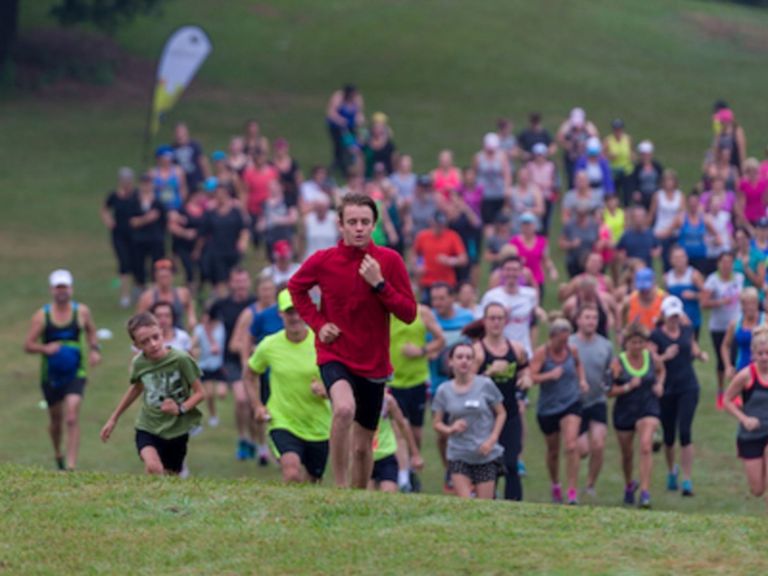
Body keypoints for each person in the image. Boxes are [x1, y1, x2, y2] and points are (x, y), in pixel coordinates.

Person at [288, 193, 417, 489]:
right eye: (352, 222)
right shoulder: (323, 261)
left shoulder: (389, 260)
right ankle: (340, 487)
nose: (358, 228)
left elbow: (409, 313)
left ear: (374, 225)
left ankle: (358, 499)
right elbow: (296, 289)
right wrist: (319, 325)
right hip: (335, 354)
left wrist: (380, 285)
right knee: (344, 409)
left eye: (365, 222)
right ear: (340, 225)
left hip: (373, 363)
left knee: (362, 447)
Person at [100, 312, 205, 475]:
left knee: (170, 476)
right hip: (148, 426)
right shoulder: (139, 363)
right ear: (136, 345)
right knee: (154, 467)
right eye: (145, 341)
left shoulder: (181, 359)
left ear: (162, 332)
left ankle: (151, 497)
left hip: (176, 429)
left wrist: (180, 408)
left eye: (156, 337)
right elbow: (136, 387)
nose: (153, 344)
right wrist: (113, 418)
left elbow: (200, 393)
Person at [245, 290, 332, 483]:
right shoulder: (269, 345)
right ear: (281, 314)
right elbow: (250, 374)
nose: (296, 317)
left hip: (319, 425)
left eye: (299, 311)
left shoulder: (322, 342)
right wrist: (257, 406)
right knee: (291, 472)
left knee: (313, 481)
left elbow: (341, 379)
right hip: (283, 420)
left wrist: (327, 391)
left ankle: (304, 512)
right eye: (290, 312)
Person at [24, 270, 101, 471]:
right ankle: (58, 451)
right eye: (58, 287)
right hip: (51, 375)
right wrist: (45, 348)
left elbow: (92, 330)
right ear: (52, 290)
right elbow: (28, 345)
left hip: (76, 372)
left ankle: (71, 464)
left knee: (72, 415)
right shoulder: (42, 316)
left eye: (64, 287)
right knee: (56, 420)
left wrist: (94, 349)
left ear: (71, 289)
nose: (62, 291)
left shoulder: (81, 312)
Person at [432, 342, 506, 500]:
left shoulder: (485, 384)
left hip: (484, 454)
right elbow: (436, 423)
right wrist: (450, 429)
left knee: (483, 507)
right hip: (458, 454)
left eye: (468, 357)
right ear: (450, 361)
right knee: (467, 505)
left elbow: (501, 413)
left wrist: (492, 439)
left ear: (473, 362)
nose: (464, 361)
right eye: (459, 357)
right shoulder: (443, 390)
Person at [650, 296, 707, 497]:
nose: (674, 319)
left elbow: (692, 347)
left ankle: (687, 479)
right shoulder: (656, 335)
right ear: (664, 315)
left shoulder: (687, 331)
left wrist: (700, 355)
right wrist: (665, 356)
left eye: (676, 315)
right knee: (668, 435)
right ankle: (671, 470)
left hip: (688, 386)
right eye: (670, 315)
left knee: (685, 431)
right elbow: (651, 359)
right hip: (667, 388)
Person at [473, 303, 530, 501]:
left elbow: (524, 371)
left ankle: (515, 508)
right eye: (492, 318)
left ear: (506, 321)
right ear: (485, 321)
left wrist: (525, 381)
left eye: (500, 318)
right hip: (485, 417)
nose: (496, 322)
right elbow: (467, 385)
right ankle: (490, 502)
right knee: (491, 464)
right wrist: (489, 372)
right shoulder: (478, 352)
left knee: (512, 464)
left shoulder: (516, 348)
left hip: (511, 414)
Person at [608, 323, 665, 508]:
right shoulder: (618, 363)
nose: (637, 346)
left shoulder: (651, 358)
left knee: (646, 446)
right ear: (626, 343)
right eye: (634, 342)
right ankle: (629, 485)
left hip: (648, 407)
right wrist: (627, 386)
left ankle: (645, 492)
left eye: (641, 342)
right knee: (627, 454)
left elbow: (661, 370)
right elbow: (608, 391)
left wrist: (659, 384)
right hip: (625, 411)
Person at [208, 268, 257, 460]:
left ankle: (256, 441)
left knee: (255, 406)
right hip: (231, 359)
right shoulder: (222, 304)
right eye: (237, 282)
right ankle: (242, 438)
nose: (240, 285)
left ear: (249, 283)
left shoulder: (255, 304)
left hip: (254, 358)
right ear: (231, 283)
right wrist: (211, 342)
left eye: (243, 281)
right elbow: (207, 321)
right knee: (241, 399)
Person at [569, 304, 613, 497]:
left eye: (594, 318)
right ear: (578, 320)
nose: (591, 321)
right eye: (587, 317)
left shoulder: (606, 345)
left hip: (597, 400)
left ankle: (590, 484)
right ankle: (572, 485)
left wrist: (610, 384)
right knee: (582, 449)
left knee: (599, 444)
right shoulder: (569, 343)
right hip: (574, 402)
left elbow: (610, 372)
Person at [723, 326, 768, 504]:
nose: (765, 357)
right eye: (761, 353)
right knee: (757, 490)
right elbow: (726, 401)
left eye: (767, 353)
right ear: (753, 354)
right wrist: (744, 419)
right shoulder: (746, 376)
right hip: (750, 434)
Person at [701, 251, 745, 409]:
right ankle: (721, 391)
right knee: (721, 361)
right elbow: (703, 303)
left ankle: (736, 392)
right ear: (719, 263)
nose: (727, 265)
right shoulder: (712, 280)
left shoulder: (739, 278)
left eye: (729, 262)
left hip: (736, 325)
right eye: (724, 262)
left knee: (736, 358)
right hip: (718, 326)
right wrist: (720, 302)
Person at [480, 256, 540, 357]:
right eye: (508, 270)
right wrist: (501, 315)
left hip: (524, 350)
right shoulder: (491, 296)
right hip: (498, 351)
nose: (511, 273)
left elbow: (534, 323)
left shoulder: (530, 295)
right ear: (502, 272)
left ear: (521, 272)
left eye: (515, 270)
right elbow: (481, 323)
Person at [196, 184, 250, 296]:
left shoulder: (235, 211)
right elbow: (203, 234)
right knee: (220, 279)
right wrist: (198, 250)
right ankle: (222, 298)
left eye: (223, 194)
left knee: (233, 276)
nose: (220, 197)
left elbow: (244, 229)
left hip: (232, 250)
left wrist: (243, 242)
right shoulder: (210, 213)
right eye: (218, 194)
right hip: (217, 251)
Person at [370, 390, 424, 493]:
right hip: (365, 456)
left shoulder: (387, 401)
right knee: (366, 498)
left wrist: (415, 454)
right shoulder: (356, 399)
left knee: (388, 496)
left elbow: (403, 426)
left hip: (386, 455)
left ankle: (404, 480)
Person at [101, 167, 138, 308]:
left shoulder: (136, 195)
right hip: (119, 234)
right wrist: (109, 221)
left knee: (136, 262)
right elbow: (104, 209)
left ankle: (136, 290)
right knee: (123, 263)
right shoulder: (114, 196)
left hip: (135, 234)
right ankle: (124, 295)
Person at [412, 211, 468, 301]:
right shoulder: (422, 236)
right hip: (427, 281)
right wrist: (418, 266)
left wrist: (449, 261)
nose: (439, 227)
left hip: (447, 282)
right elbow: (415, 255)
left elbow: (463, 259)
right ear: (431, 223)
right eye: (437, 224)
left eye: (441, 225)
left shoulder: (452, 236)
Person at [129, 173, 166, 289]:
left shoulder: (158, 202)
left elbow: (163, 220)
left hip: (155, 239)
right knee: (138, 265)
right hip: (139, 239)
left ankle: (156, 286)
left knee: (157, 264)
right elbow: (132, 222)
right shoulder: (134, 202)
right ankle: (140, 286)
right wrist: (147, 218)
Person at [136, 259, 196, 331]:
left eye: (166, 276)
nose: (164, 280)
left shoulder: (182, 293)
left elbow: (189, 306)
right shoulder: (147, 297)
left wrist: (191, 317)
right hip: (157, 334)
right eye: (161, 277)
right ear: (156, 277)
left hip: (178, 333)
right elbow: (139, 319)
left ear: (172, 276)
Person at [191, 305, 225, 427]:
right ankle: (213, 416)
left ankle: (215, 414)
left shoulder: (221, 328)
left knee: (221, 394)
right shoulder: (199, 330)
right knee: (209, 394)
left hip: (220, 365)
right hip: (205, 365)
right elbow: (192, 345)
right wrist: (195, 350)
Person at [510, 212, 558, 299]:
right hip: (520, 279)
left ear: (534, 226)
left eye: (529, 224)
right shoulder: (514, 241)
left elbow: (546, 259)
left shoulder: (541, 241)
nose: (527, 227)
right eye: (524, 224)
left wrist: (552, 270)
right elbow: (510, 259)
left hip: (537, 278)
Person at [722, 288, 765, 383]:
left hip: (763, 370)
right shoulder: (735, 324)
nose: (750, 307)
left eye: (753, 303)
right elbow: (725, 346)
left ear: (758, 304)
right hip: (741, 369)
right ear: (742, 305)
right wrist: (728, 366)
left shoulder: (765, 321)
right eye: (747, 304)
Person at [664, 246, 705, 340]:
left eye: (682, 257)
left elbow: (706, 294)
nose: (679, 260)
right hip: (674, 320)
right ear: (671, 260)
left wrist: (694, 295)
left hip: (692, 318)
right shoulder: (667, 277)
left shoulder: (694, 275)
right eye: (676, 258)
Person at [474, 133, 512, 233]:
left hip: (499, 193)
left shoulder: (502, 157)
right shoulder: (479, 157)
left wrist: (507, 189)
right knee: (488, 222)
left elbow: (507, 174)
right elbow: (475, 173)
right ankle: (491, 244)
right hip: (485, 194)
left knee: (502, 221)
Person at [326, 84, 365, 175]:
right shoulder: (338, 97)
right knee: (339, 145)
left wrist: (359, 120)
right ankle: (339, 163)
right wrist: (341, 121)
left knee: (351, 145)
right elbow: (331, 113)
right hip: (336, 127)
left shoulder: (357, 99)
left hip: (350, 126)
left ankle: (349, 164)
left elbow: (359, 112)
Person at [557, 107, 599, 189]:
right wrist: (566, 144)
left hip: (584, 159)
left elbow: (595, 138)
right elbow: (559, 137)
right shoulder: (568, 128)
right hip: (571, 160)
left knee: (585, 180)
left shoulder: (587, 128)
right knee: (572, 181)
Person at [650, 170, 684, 271]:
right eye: (666, 180)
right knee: (664, 260)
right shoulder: (658, 196)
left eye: (671, 180)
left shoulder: (680, 196)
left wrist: (669, 230)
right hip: (660, 231)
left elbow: (681, 215)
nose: (669, 183)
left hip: (674, 232)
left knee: (676, 259)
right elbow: (652, 214)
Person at [559, 202, 599, 278]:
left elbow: (597, 239)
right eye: (579, 214)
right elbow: (561, 243)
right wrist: (571, 244)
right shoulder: (569, 225)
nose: (581, 217)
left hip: (589, 262)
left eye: (584, 214)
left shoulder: (593, 224)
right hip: (574, 261)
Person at [171, 122, 210, 193]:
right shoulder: (173, 148)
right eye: (177, 132)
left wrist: (208, 179)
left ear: (186, 133)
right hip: (181, 184)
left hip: (196, 181)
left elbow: (203, 162)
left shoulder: (194, 145)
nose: (179, 135)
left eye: (182, 132)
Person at [623, 268, 665, 332]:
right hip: (638, 339)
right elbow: (623, 325)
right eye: (641, 289)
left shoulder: (664, 299)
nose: (644, 292)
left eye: (646, 289)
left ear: (654, 283)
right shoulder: (629, 301)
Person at [603, 118, 634, 204]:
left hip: (626, 171)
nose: (618, 131)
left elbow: (631, 152)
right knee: (613, 196)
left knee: (627, 197)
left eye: (619, 129)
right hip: (614, 171)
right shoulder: (608, 140)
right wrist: (609, 156)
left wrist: (632, 156)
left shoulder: (628, 139)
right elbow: (602, 156)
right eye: (616, 129)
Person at [151, 145, 187, 212]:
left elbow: (183, 189)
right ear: (159, 158)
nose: (168, 159)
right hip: (159, 208)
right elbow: (150, 192)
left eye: (170, 157)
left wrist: (181, 202)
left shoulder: (178, 171)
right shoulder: (153, 173)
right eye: (166, 157)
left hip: (176, 207)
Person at [303, 194, 339, 260]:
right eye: (318, 207)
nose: (321, 210)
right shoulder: (308, 219)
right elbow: (302, 241)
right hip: (312, 259)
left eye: (323, 207)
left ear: (327, 207)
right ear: (315, 208)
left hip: (331, 259)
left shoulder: (335, 218)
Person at [628, 140, 663, 209]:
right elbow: (633, 182)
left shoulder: (657, 166)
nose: (645, 157)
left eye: (647, 155)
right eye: (643, 155)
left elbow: (661, 180)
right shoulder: (637, 168)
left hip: (655, 196)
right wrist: (635, 192)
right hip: (642, 196)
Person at [736, 158, 768, 231]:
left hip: (761, 214)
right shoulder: (743, 184)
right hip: (747, 216)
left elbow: (765, 200)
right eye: (749, 171)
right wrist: (746, 223)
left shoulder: (763, 183)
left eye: (754, 171)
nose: (752, 173)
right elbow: (740, 204)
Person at [362, 112, 396, 178]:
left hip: (387, 176)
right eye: (376, 127)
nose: (377, 130)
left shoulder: (389, 145)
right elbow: (362, 161)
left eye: (380, 127)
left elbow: (393, 161)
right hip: (370, 176)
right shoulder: (366, 145)